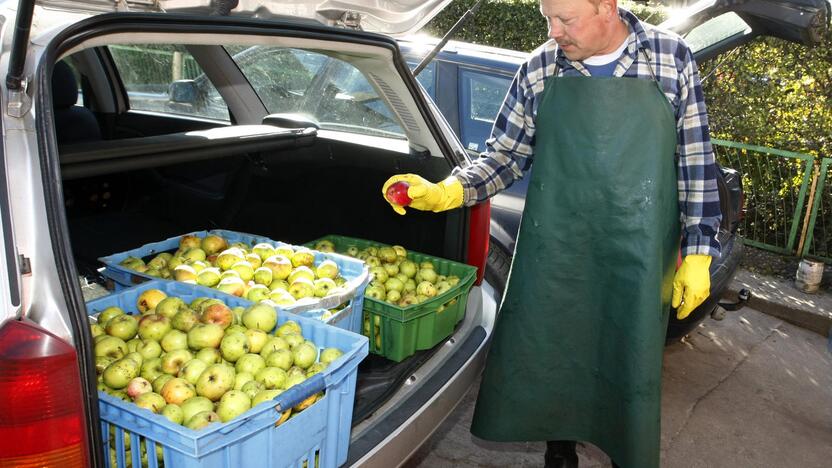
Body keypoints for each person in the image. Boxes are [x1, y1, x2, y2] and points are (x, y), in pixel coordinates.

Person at [381, 0, 721, 467]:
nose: (554, 31)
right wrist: (446, 192)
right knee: (554, 353)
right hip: (558, 248)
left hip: (638, 252)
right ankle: (558, 453)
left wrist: (700, 251)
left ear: (607, 6)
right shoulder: (540, 67)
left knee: (628, 361)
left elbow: (695, 160)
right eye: (547, 18)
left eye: (566, 19)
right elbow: (503, 156)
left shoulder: (669, 56)